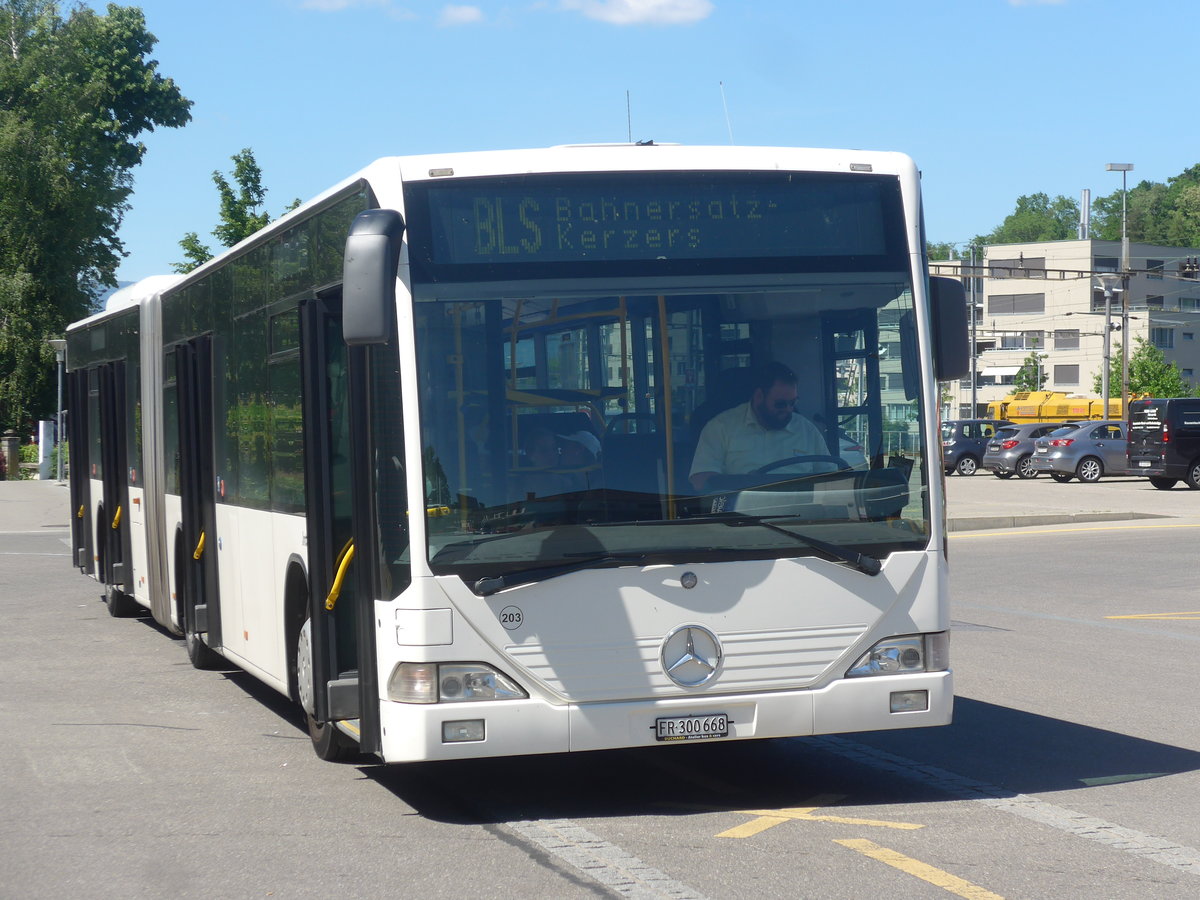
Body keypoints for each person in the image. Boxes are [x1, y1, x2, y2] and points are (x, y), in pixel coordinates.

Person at [689, 361, 829, 491]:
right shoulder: (720, 427)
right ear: (759, 396)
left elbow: (830, 478)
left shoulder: (807, 430)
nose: (788, 409)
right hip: (742, 513)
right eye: (780, 404)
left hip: (803, 513)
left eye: (793, 403)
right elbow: (701, 480)